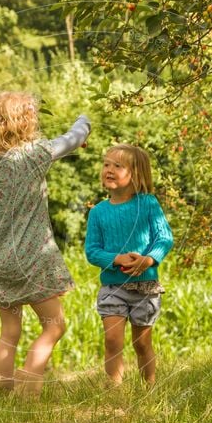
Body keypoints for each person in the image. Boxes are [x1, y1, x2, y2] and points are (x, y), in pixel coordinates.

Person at [0, 91, 91, 398]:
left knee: (9, 333)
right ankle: (29, 379)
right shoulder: (35, 156)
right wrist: (84, 120)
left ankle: (0, 394)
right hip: (34, 259)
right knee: (54, 327)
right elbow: (74, 138)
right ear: (26, 123)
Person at [84, 144, 173, 387]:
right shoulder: (98, 212)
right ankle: (114, 390)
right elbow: (92, 251)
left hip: (145, 286)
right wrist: (116, 259)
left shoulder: (148, 204)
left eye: (117, 166)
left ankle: (149, 385)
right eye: (106, 165)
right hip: (113, 287)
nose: (109, 170)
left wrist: (148, 259)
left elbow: (164, 238)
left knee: (142, 343)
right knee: (112, 341)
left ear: (135, 173)